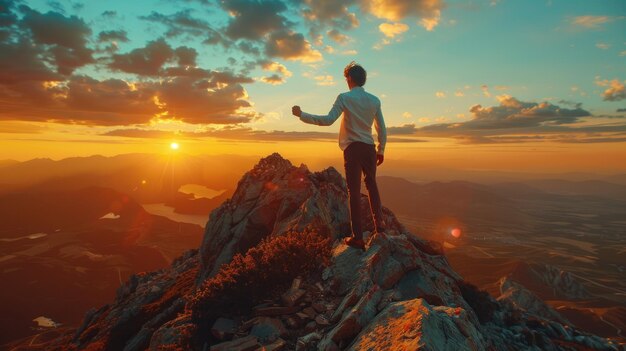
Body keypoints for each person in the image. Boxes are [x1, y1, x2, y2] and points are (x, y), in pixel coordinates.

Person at [292, 61, 387, 251]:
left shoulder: (344, 97)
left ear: (349, 79)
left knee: (353, 192)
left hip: (353, 149)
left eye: (346, 78)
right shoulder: (375, 100)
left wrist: (302, 114)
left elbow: (327, 120)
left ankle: (358, 237)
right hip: (369, 148)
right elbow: (381, 128)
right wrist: (381, 149)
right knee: (372, 185)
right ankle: (380, 226)